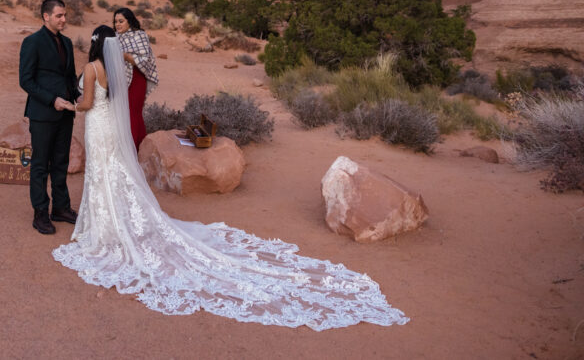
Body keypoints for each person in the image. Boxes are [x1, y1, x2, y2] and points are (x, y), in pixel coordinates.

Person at [51, 30, 409, 329]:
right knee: (113, 173)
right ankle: (116, 221)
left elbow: (86, 105)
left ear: (95, 45)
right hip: (110, 128)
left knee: (103, 173)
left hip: (96, 126)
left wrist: (66, 105)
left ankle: (104, 228)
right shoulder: (113, 69)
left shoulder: (92, 68)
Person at [18, 0, 80, 235]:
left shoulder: (67, 42)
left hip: (66, 114)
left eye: (64, 15)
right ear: (46, 16)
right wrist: (52, 100)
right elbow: (26, 80)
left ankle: (61, 208)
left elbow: (70, 76)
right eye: (59, 15)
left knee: (61, 162)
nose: (64, 19)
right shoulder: (32, 42)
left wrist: (79, 96)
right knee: (40, 164)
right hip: (43, 113)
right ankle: (40, 213)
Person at [113, 7, 158, 150]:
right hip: (120, 80)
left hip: (137, 78)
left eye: (121, 21)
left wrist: (126, 57)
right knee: (124, 114)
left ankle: (133, 149)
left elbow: (145, 59)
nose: (117, 24)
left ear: (129, 21)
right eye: (115, 22)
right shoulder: (114, 38)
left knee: (133, 113)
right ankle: (136, 148)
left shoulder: (140, 36)